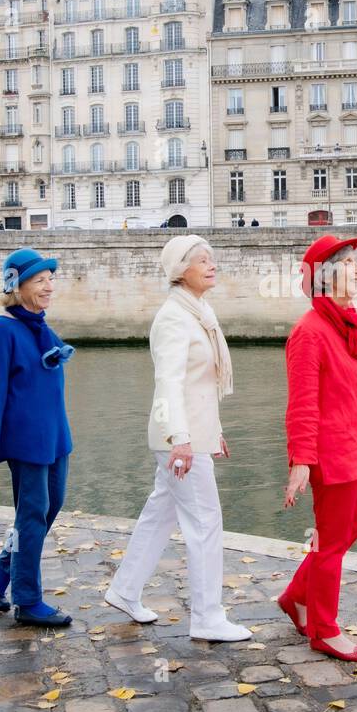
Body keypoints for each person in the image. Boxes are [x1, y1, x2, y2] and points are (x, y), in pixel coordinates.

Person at [104, 235, 252, 642]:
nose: (211, 264)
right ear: (179, 271)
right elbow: (167, 383)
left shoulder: (200, 312)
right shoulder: (174, 317)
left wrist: (213, 432)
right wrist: (181, 440)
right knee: (206, 522)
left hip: (191, 434)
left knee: (160, 515)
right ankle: (207, 615)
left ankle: (124, 589)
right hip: (178, 437)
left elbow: (200, 385)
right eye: (202, 260)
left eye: (212, 258)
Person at [0, 247, 75, 628]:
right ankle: (27, 599)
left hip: (56, 439)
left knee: (47, 510)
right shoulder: (0, 331)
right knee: (31, 518)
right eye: (40, 281)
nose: (49, 287)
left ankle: (1, 569)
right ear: (15, 286)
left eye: (50, 280)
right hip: (27, 444)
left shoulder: (39, 327)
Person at [277, 235, 357, 662]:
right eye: (350, 263)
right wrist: (301, 461)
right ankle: (324, 629)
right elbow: (302, 403)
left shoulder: (347, 323)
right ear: (326, 275)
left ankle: (296, 597)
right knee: (331, 543)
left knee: (347, 532)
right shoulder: (310, 332)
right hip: (332, 454)